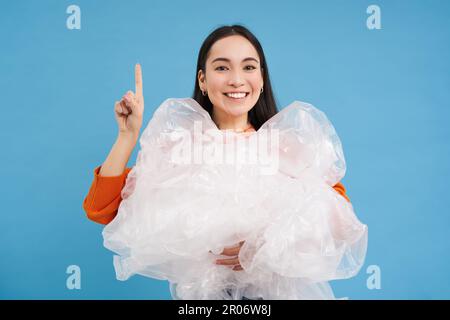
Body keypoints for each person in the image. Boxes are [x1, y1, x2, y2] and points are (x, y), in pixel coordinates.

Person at [83, 25, 365, 300]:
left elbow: (340, 222)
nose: (236, 80)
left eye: (249, 67)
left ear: (262, 78)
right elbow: (103, 210)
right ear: (203, 80)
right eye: (222, 67)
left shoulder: (287, 145)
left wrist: (268, 246)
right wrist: (126, 137)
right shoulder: (182, 146)